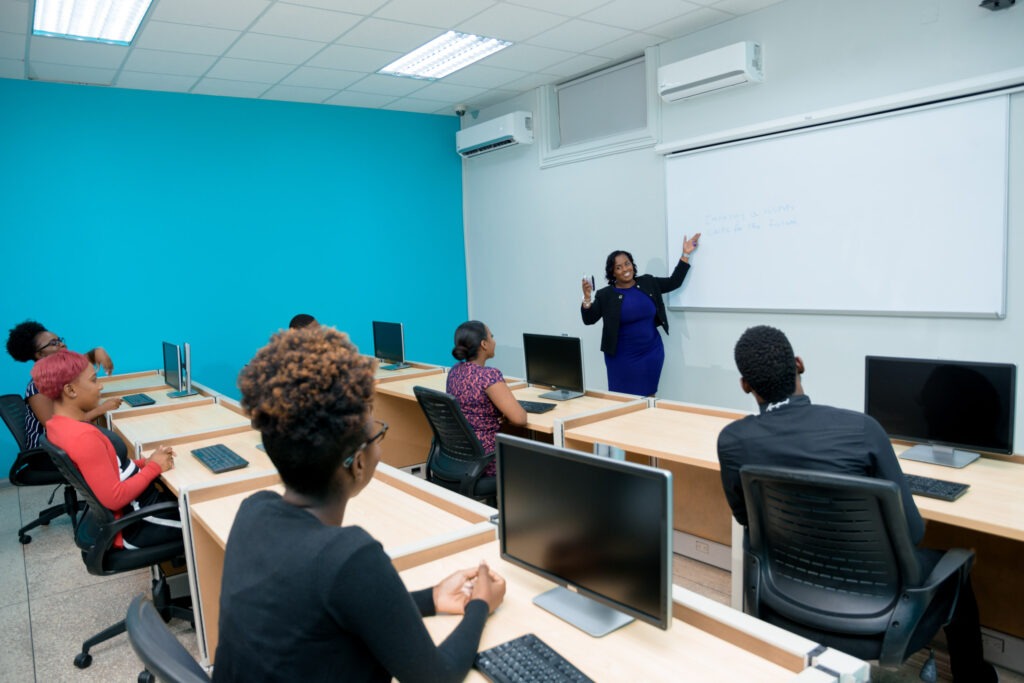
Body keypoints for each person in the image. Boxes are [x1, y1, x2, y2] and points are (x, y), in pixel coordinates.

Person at [213, 326, 506, 682]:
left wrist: (431, 598)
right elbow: (438, 677)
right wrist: (480, 605)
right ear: (358, 461)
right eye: (376, 434)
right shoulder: (350, 556)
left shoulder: (253, 511)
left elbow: (333, 609)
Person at [716, 325, 996, 683]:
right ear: (799, 364)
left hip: (784, 597)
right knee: (957, 568)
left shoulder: (734, 441)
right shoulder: (861, 430)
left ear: (745, 385)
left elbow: (747, 520)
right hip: (878, 610)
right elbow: (912, 532)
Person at [32, 350, 180, 549]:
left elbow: (110, 467)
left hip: (139, 509)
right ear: (70, 390)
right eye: (94, 381)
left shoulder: (57, 426)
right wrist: (153, 468)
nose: (100, 386)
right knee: (205, 521)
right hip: (139, 521)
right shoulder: (83, 437)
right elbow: (114, 498)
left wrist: (144, 463)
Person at [581, 234, 701, 396]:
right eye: (618, 267)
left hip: (651, 352)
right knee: (622, 400)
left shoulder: (648, 283)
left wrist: (685, 254)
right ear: (612, 272)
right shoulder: (606, 295)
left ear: (632, 264)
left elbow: (674, 282)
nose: (625, 269)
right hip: (621, 358)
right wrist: (587, 298)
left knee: (649, 398)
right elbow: (589, 319)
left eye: (627, 264)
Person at [6, 320, 120, 448]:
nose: (62, 344)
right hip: (48, 453)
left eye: (59, 340)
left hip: (69, 441)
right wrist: (100, 409)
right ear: (40, 355)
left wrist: (98, 352)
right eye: (53, 343)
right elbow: (58, 428)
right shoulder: (37, 387)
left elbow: (86, 358)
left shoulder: (62, 372)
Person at [446, 321, 527, 476]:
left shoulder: (455, 371)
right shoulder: (488, 376)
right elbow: (520, 418)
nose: (494, 341)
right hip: (487, 459)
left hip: (460, 455)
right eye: (492, 336)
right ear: (484, 344)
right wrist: (507, 416)